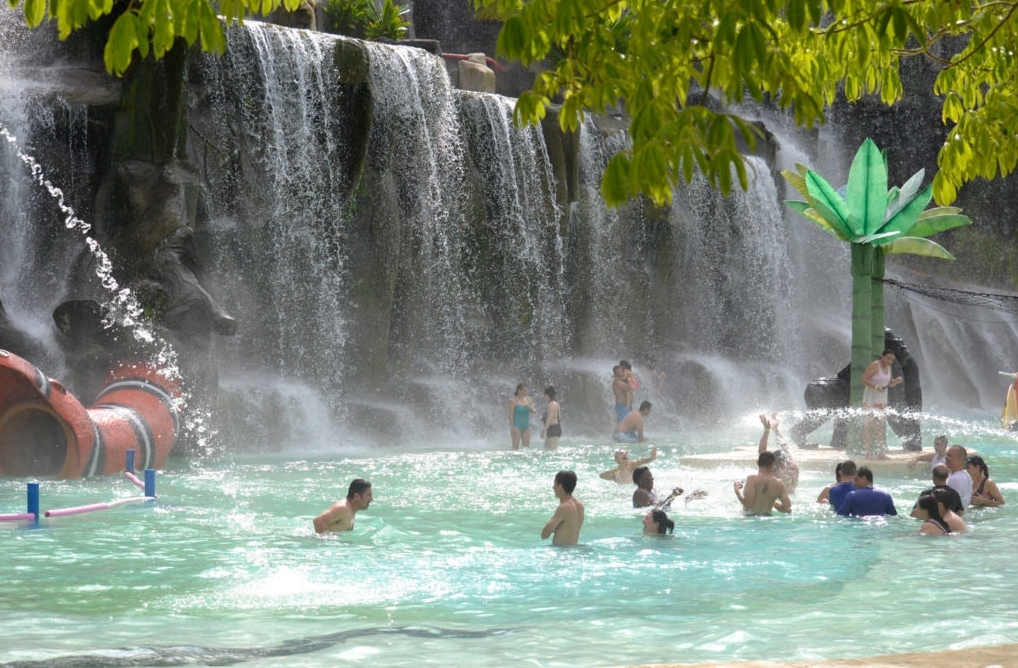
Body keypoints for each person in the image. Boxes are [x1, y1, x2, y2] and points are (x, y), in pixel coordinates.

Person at [860, 349, 904, 459]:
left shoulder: (888, 367)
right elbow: (863, 379)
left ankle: (880, 453)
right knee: (869, 426)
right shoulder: (875, 365)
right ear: (882, 357)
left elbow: (890, 383)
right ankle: (868, 453)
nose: (890, 361)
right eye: (888, 358)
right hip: (870, 398)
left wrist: (896, 381)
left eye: (892, 360)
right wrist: (875, 387)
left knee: (880, 427)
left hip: (881, 400)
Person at [733, 451, 791, 516]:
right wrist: (773, 503)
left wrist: (737, 490)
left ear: (757, 462)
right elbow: (788, 509)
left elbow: (747, 504)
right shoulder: (780, 484)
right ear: (773, 464)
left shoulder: (752, 479)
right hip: (768, 519)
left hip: (750, 519)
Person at [757, 413, 799, 493]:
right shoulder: (793, 468)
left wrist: (767, 430)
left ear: (775, 463)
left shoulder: (774, 471)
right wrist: (776, 430)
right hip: (789, 498)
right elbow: (785, 449)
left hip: (774, 500)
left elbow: (761, 452)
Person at [541, 470, 585, 546]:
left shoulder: (564, 507)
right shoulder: (580, 505)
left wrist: (553, 529)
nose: (553, 487)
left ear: (560, 486)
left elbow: (544, 535)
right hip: (574, 549)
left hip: (562, 553)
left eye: (554, 484)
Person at [508, 383, 537, 450]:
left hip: (526, 426)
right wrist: (512, 427)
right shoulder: (513, 401)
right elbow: (510, 415)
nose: (526, 392)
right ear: (519, 390)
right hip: (517, 426)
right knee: (515, 449)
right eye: (524, 390)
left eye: (526, 390)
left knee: (526, 449)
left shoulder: (528, 399)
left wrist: (532, 409)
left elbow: (534, 411)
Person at [945, 444, 973, 508]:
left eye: (949, 455)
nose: (946, 457)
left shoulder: (954, 479)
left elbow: (949, 505)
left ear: (959, 460)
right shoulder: (967, 475)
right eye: (946, 454)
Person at [541, 386, 562, 450]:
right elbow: (559, 416)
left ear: (547, 395)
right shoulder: (555, 403)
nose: (543, 396)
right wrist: (544, 416)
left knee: (553, 451)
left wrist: (544, 430)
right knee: (546, 450)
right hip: (553, 428)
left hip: (553, 429)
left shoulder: (551, 404)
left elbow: (550, 418)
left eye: (544, 394)